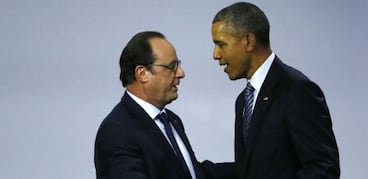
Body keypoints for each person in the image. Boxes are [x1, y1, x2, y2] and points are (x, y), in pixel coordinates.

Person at [211, 2, 340, 179]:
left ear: (248, 41)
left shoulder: (297, 90)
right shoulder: (243, 100)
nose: (215, 54)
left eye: (221, 44)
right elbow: (252, 169)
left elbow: (323, 168)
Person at [94, 31, 209, 179]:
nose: (181, 73)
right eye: (171, 66)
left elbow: (191, 172)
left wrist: (247, 165)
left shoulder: (171, 120)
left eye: (178, 65)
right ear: (142, 74)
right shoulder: (117, 132)